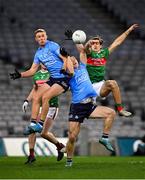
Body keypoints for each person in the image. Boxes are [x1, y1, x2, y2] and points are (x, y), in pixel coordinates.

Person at [65, 24, 139, 117]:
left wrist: (129, 30)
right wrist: (75, 39)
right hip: (87, 86)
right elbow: (82, 49)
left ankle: (120, 109)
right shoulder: (88, 53)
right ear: (90, 46)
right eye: (93, 43)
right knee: (81, 115)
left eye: (97, 43)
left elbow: (117, 42)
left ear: (101, 46)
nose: (95, 45)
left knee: (112, 83)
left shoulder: (104, 53)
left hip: (99, 85)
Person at [10, 28, 74, 134]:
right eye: (39, 37)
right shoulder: (38, 54)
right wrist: (20, 75)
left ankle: (40, 125)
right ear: (36, 39)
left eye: (43, 36)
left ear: (46, 36)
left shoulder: (53, 45)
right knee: (36, 96)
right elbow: (32, 70)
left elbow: (65, 58)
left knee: (45, 97)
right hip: (53, 78)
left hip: (63, 78)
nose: (42, 38)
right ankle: (32, 124)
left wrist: (67, 71)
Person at [63, 48, 116, 167]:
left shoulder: (83, 67)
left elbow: (82, 52)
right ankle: (69, 160)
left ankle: (104, 138)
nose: (75, 61)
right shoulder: (69, 76)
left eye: (75, 60)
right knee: (72, 136)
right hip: (77, 107)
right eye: (72, 61)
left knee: (111, 113)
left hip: (90, 106)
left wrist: (82, 43)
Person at [22, 65, 64, 164]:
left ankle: (59, 146)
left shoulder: (53, 74)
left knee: (43, 133)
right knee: (32, 128)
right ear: (40, 63)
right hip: (40, 106)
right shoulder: (36, 75)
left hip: (52, 106)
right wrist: (27, 100)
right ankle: (31, 155)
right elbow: (34, 89)